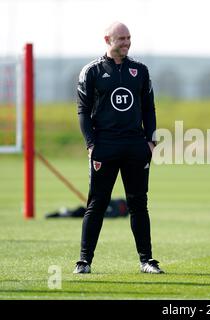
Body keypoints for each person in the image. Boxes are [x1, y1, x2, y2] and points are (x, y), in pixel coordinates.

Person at [74, 22, 164, 274]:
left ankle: (147, 260)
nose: (126, 43)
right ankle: (84, 260)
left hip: (135, 146)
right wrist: (91, 144)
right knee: (97, 203)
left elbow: (149, 107)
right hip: (105, 145)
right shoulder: (91, 71)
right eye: (121, 38)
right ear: (107, 39)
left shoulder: (140, 70)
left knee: (138, 203)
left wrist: (151, 140)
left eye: (129, 38)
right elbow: (82, 111)